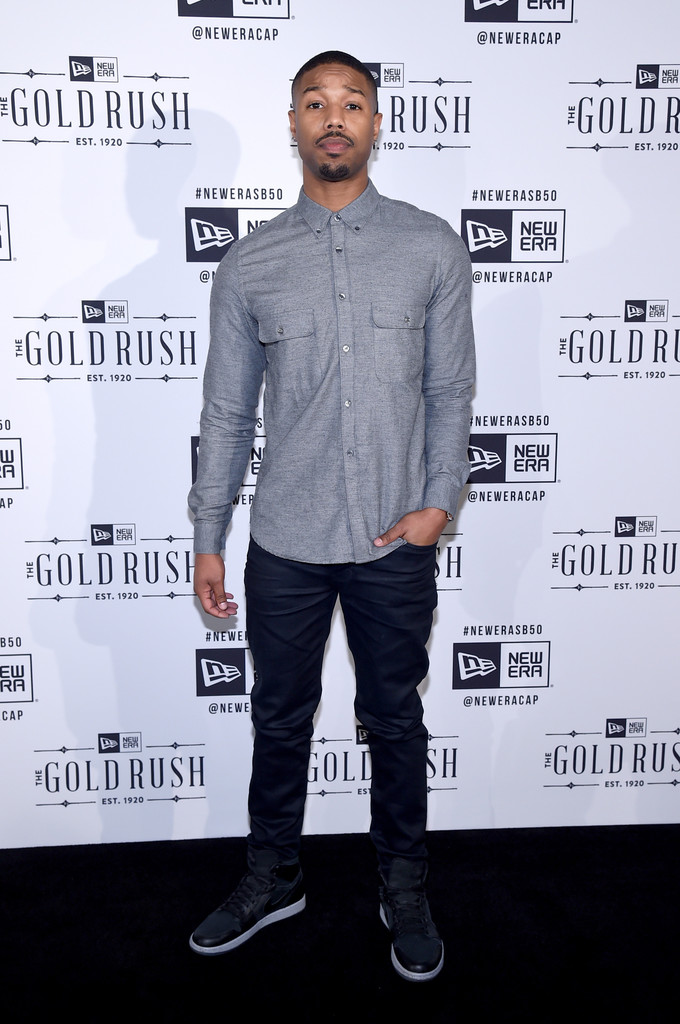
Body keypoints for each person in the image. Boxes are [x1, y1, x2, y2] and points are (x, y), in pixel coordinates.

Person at [187, 50, 475, 982]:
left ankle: (405, 885)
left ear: (376, 123)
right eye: (316, 103)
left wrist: (438, 502)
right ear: (294, 124)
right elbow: (226, 414)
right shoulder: (250, 263)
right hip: (285, 539)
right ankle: (273, 876)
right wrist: (208, 537)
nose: (335, 118)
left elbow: (451, 391)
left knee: (394, 720)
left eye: (352, 103)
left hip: (396, 536)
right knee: (280, 717)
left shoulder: (431, 247)